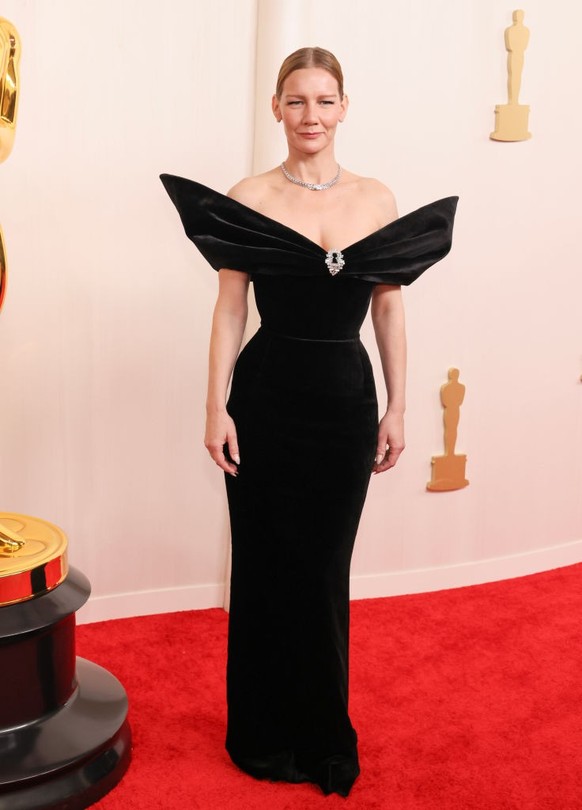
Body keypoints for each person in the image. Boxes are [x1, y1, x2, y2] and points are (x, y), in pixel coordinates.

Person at [161, 46, 457, 798]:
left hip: (344, 405)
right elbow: (230, 308)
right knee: (263, 567)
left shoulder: (376, 198)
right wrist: (214, 405)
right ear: (277, 109)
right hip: (264, 400)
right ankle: (261, 736)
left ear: (344, 108)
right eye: (297, 102)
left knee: (323, 572)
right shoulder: (250, 195)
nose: (311, 116)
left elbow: (388, 308)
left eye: (325, 101)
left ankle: (323, 735)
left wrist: (397, 404)